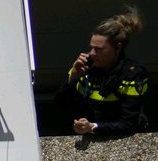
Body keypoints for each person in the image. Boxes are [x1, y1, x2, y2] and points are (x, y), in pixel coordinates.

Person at [55, 8, 149, 139]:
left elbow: (129, 123)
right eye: (91, 48)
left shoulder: (133, 74)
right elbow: (60, 105)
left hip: (123, 141)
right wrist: (73, 77)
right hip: (87, 138)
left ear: (117, 48)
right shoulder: (84, 66)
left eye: (98, 49)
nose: (92, 53)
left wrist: (93, 127)